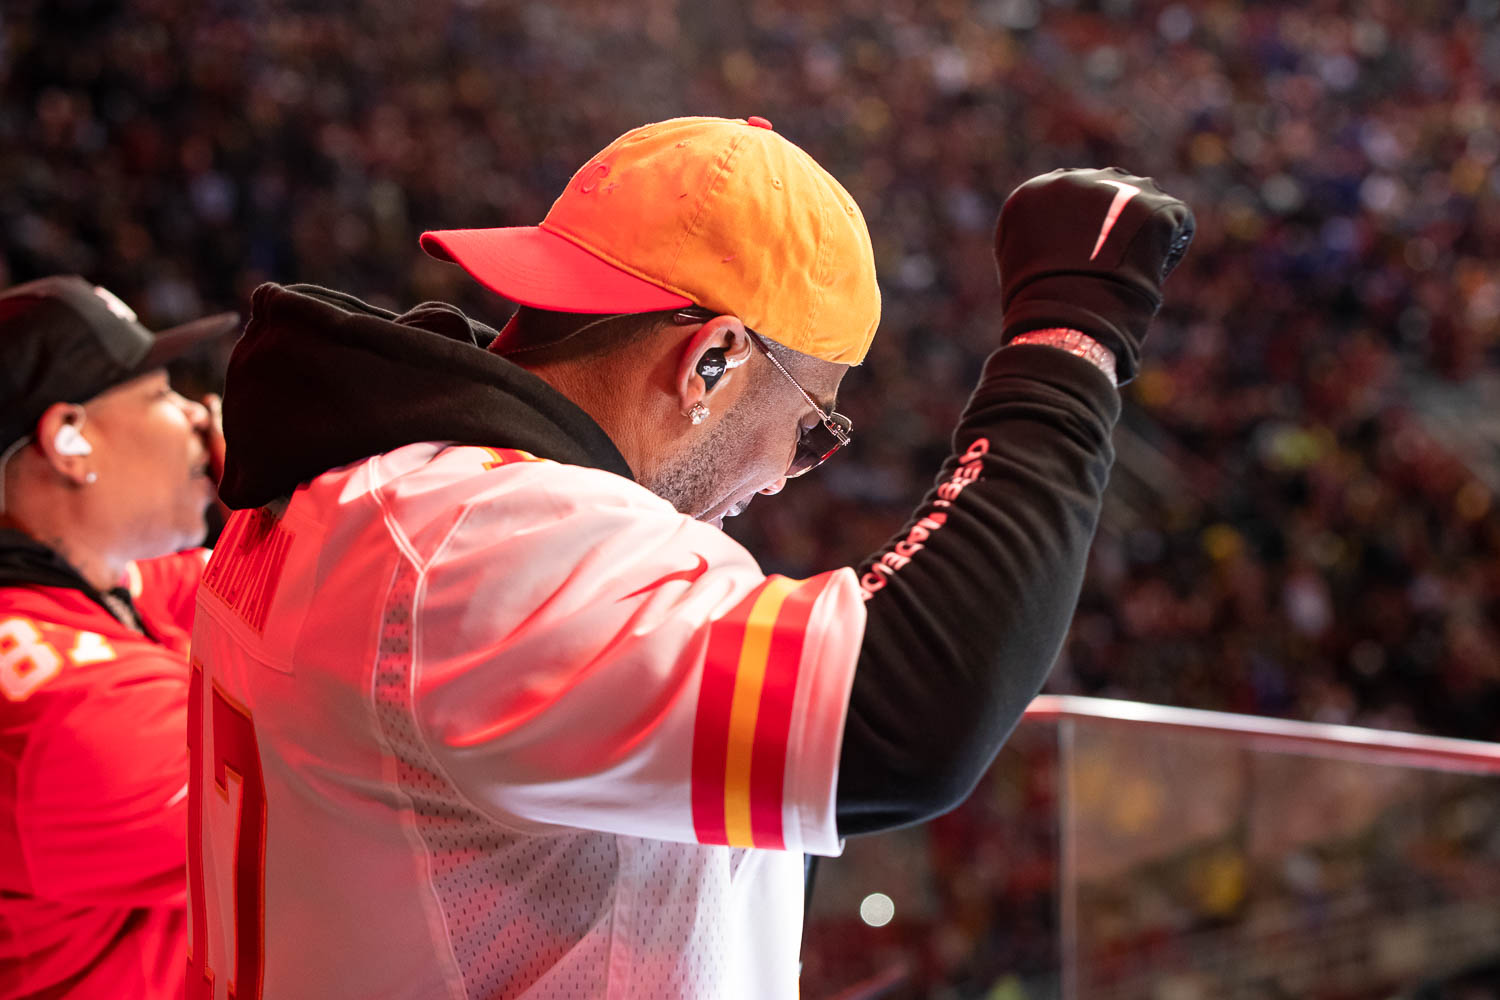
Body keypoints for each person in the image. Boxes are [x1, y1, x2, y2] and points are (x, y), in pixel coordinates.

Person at [193, 115, 1193, 999]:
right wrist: (1070, 338)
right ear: (709, 361)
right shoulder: (486, 536)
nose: (789, 476)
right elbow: (903, 715)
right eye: (813, 427)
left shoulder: (349, 480)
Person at [0, 276, 238, 1000]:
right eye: (162, 394)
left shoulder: (99, 586)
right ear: (69, 440)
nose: (204, 415)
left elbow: (284, 593)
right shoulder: (75, 705)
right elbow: (366, 806)